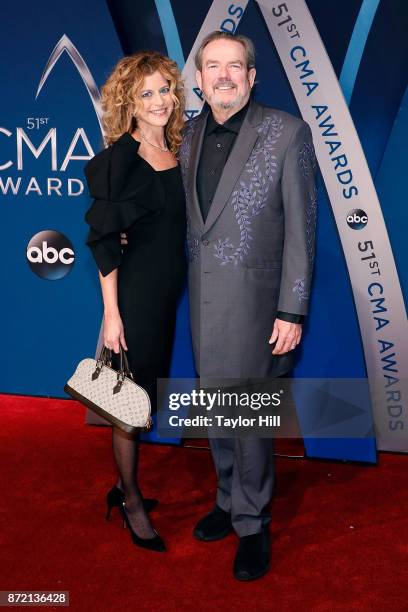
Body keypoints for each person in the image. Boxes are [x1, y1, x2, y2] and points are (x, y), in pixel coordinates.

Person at [178, 31, 317, 580]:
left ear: (252, 76)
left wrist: (293, 310)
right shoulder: (186, 135)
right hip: (202, 299)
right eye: (213, 66)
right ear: (200, 78)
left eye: (235, 66)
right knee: (216, 404)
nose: (224, 75)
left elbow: (302, 232)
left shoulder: (286, 132)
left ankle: (253, 522)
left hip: (259, 304)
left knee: (250, 413)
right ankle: (227, 498)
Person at [84, 51, 187, 553]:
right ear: (129, 102)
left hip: (168, 296)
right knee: (129, 403)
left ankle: (125, 488)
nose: (159, 101)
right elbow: (103, 241)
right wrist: (112, 312)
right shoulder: (117, 161)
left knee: (145, 397)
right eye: (146, 93)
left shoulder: (179, 151)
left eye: (164, 89)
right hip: (137, 297)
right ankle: (129, 498)